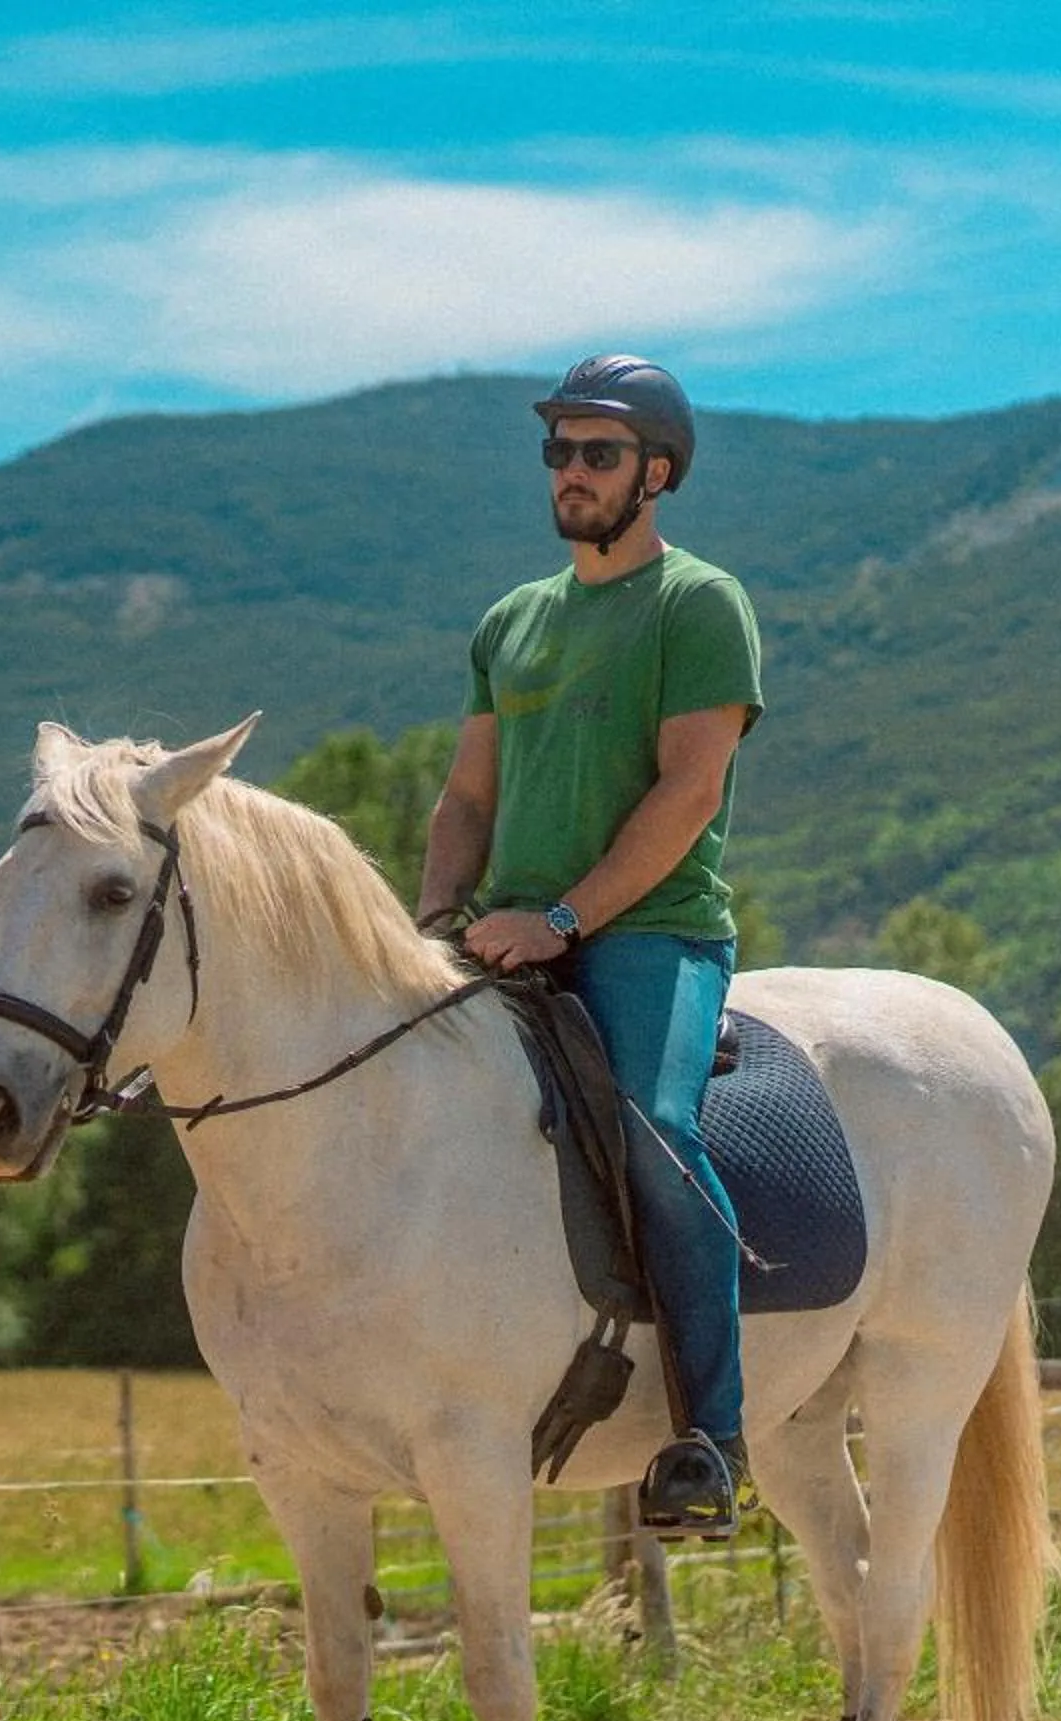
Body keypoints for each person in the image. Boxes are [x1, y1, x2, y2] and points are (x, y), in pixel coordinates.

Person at [415, 354, 764, 1538]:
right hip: (500, 933)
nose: (571, 470)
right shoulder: (509, 621)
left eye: (598, 452)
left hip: (650, 931)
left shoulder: (698, 604)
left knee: (654, 1129)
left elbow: (687, 793)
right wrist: (433, 921)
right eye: (558, 449)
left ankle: (711, 1437)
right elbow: (467, 798)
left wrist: (562, 920)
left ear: (656, 474)